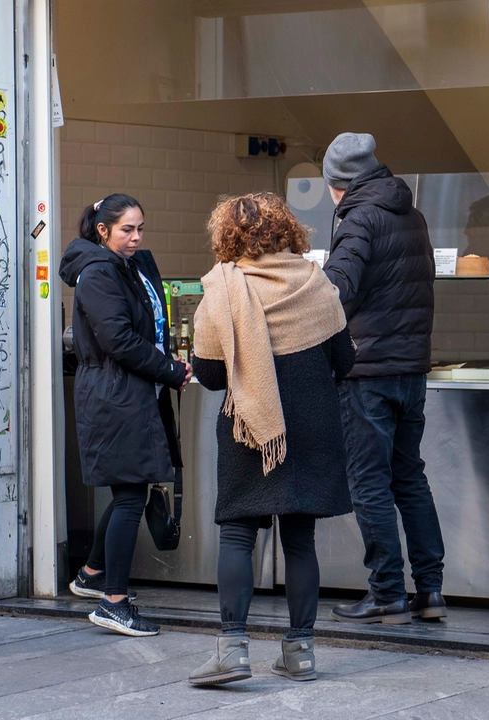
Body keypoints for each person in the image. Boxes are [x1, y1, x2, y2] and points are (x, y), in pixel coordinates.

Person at [187, 193, 355, 685]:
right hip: (312, 427)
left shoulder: (220, 289)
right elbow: (344, 362)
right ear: (287, 231)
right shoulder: (315, 282)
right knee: (301, 538)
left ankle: (233, 650)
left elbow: (211, 375)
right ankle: (300, 651)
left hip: (249, 428)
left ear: (226, 236)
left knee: (239, 533)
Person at [320, 132, 447, 624]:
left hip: (368, 371)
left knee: (369, 481)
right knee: (409, 477)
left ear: (341, 183)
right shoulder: (410, 214)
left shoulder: (359, 218)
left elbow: (339, 289)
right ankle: (431, 590)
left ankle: (387, 590)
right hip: (411, 367)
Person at [58, 193, 191, 637]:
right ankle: (113, 602)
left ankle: (93, 574)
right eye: (126, 230)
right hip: (115, 394)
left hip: (130, 391)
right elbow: (119, 339)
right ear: (102, 231)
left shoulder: (126, 265)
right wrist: (170, 370)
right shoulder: (98, 274)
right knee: (131, 495)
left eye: (140, 228)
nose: (135, 238)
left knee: (128, 491)